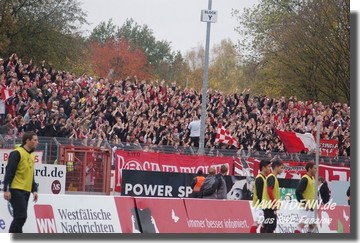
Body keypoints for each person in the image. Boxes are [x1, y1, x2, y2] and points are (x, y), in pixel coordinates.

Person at [3, 131, 39, 233]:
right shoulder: (17, 153)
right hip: (16, 189)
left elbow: (31, 175)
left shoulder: (31, 155)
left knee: (20, 218)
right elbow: (9, 172)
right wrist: (6, 189)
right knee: (21, 217)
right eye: (35, 140)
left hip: (26, 190)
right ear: (27, 141)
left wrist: (34, 190)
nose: (37, 142)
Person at [294, 162, 317, 233]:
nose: (316, 170)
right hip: (305, 207)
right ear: (309, 169)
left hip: (311, 207)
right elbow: (297, 191)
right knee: (302, 224)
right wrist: (304, 203)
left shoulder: (312, 178)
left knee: (312, 226)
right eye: (315, 168)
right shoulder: (305, 179)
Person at [250, 159, 271, 233]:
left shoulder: (264, 177)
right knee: (258, 222)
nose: (270, 168)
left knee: (264, 224)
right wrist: (263, 204)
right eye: (268, 166)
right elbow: (259, 193)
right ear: (263, 167)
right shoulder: (259, 178)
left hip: (262, 204)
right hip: (259, 205)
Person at [262, 159, 283, 233]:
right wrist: (274, 203)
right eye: (281, 167)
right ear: (276, 167)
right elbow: (269, 190)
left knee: (267, 225)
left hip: (269, 205)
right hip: (269, 205)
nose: (282, 170)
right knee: (271, 226)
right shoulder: (271, 177)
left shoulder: (273, 177)